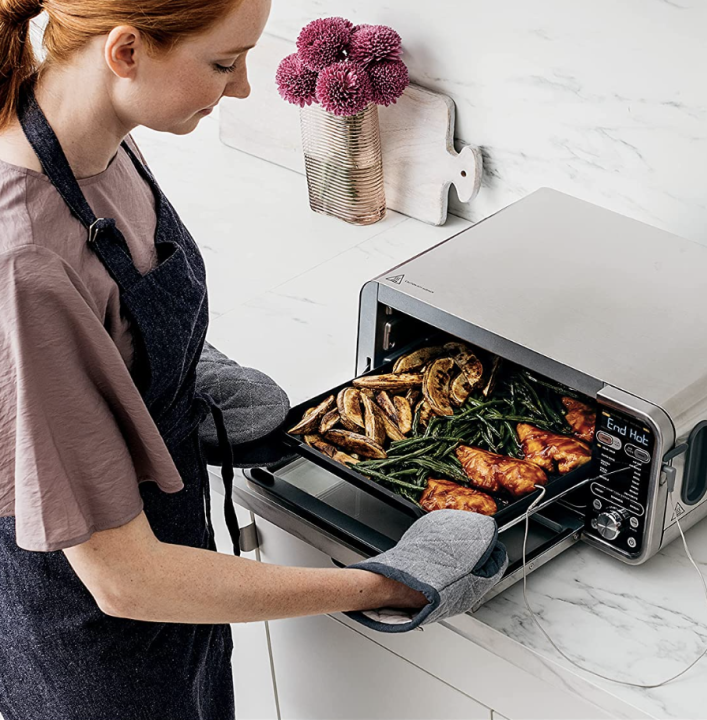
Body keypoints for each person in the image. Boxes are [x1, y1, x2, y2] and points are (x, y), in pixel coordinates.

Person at [0, 1, 507, 718]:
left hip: (180, 573)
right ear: (125, 52)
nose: (240, 87)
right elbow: (125, 580)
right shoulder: (22, 259)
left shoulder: (97, 138)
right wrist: (387, 580)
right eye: (221, 63)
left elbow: (107, 311)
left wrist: (184, 376)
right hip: (101, 652)